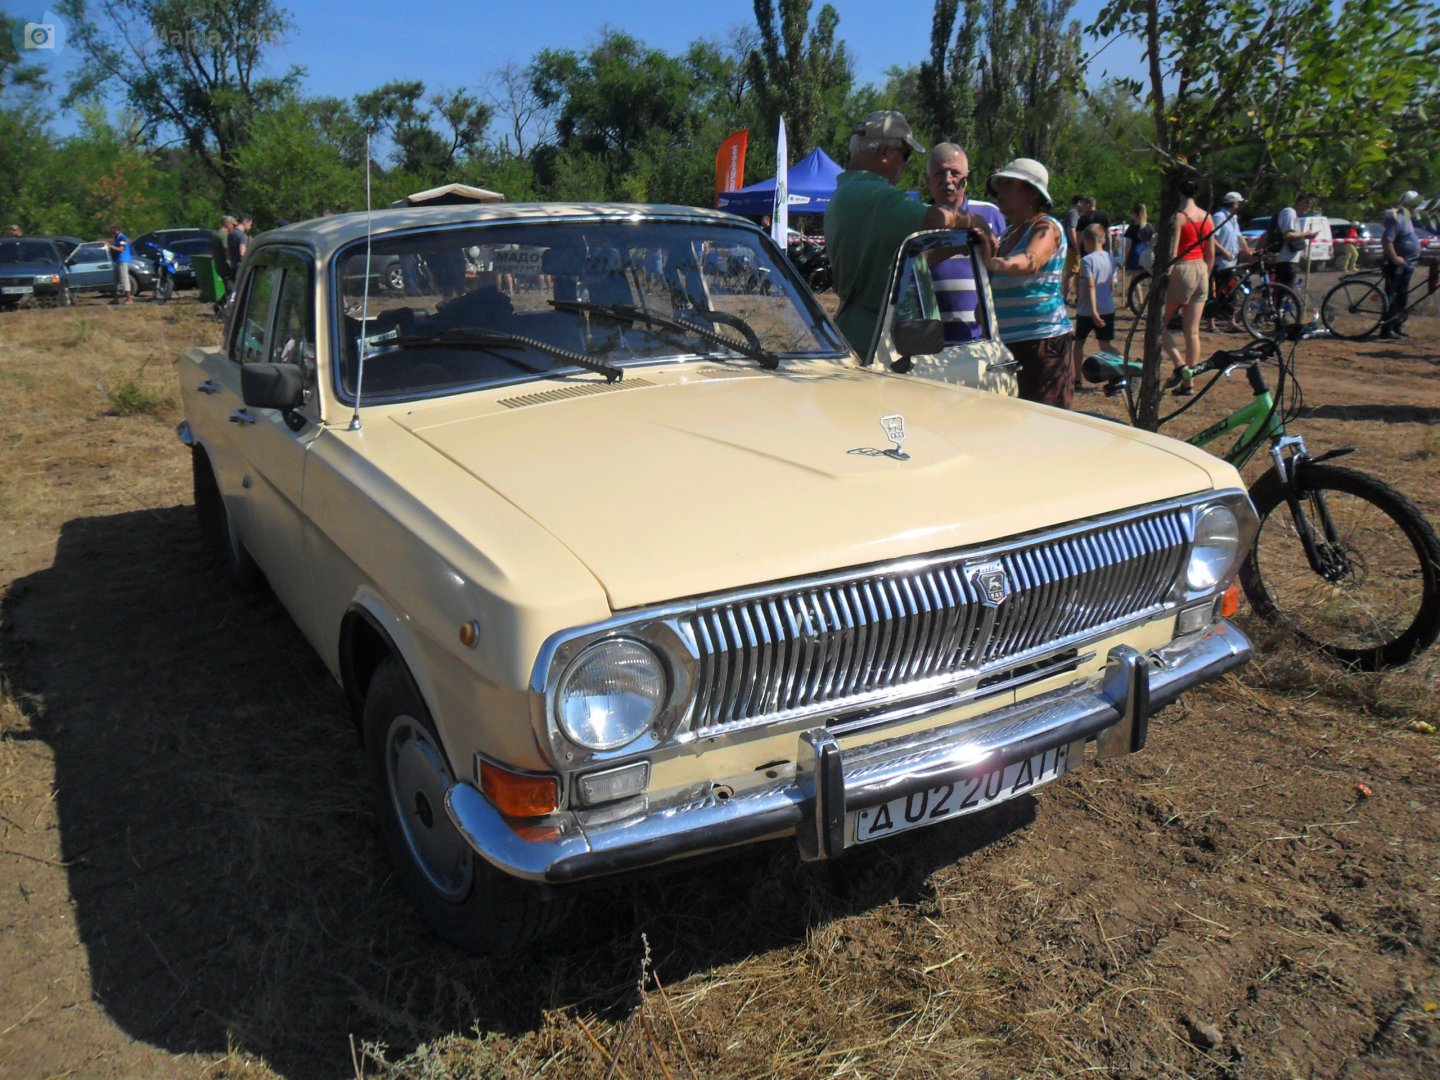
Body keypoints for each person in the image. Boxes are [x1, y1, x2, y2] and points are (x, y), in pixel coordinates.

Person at [823, 109, 995, 353]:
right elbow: (936, 218)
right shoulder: (877, 196)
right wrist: (976, 221)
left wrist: (955, 247)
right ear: (884, 153)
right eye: (905, 155)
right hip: (886, 344)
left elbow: (895, 265)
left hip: (858, 332)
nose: (905, 164)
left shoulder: (846, 194)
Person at [981, 158, 1075, 408]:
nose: (1000, 191)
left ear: (1032, 193)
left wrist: (992, 262)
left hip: (1043, 344)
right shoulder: (1007, 234)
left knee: (1044, 422)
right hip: (1008, 346)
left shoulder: (1046, 227)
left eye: (1008, 184)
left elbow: (1031, 260)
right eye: (999, 184)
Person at [924, 141, 1006, 343]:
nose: (947, 180)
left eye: (955, 173)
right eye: (939, 174)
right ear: (927, 180)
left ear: (966, 179)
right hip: (929, 342)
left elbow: (1003, 272)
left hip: (980, 341)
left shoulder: (990, 214)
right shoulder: (919, 218)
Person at [1163, 179, 1214, 394]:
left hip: (1182, 268)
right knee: (1192, 332)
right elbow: (1211, 253)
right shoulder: (1207, 217)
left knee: (1158, 324)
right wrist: (1206, 275)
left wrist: (1165, 278)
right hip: (1202, 269)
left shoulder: (1179, 217)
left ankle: (1180, 365)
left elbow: (1172, 253)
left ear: (1179, 193)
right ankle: (1189, 382)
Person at [1072, 224, 1116, 385]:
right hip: (1108, 308)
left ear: (1087, 241)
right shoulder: (1110, 258)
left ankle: (1077, 378)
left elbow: (1091, 285)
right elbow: (1113, 284)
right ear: (1103, 239)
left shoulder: (1087, 260)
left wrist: (1093, 311)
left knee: (1078, 344)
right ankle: (1122, 369)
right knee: (1106, 346)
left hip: (1087, 310)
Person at [1205, 191, 1250, 333]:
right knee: (1215, 293)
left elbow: (1239, 237)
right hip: (1219, 262)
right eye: (1239, 203)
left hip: (1231, 263)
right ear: (1234, 203)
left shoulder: (1233, 218)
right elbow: (1211, 238)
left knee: (1229, 292)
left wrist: (1248, 251)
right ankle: (1211, 323)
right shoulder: (1219, 217)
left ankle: (1230, 322)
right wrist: (1224, 251)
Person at [1379, 189, 1422, 339]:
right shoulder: (1397, 218)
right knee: (1393, 296)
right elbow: (1387, 240)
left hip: (1407, 264)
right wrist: (1395, 257)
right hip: (1397, 265)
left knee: (1401, 296)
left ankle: (1396, 326)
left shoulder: (1407, 219)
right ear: (1408, 204)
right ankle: (1387, 329)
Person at [1273, 192, 1317, 297]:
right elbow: (1288, 235)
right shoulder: (1289, 213)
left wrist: (1305, 236)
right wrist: (1305, 234)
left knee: (1286, 292)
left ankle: (1280, 306)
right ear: (1302, 202)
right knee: (1285, 292)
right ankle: (1279, 307)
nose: (1308, 209)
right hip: (1286, 259)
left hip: (1289, 259)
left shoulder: (1293, 214)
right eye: (1308, 205)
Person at [1061, 195, 1085, 303]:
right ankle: (1065, 298)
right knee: (1072, 272)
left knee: (1077, 272)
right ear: (1079, 202)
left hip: (1073, 247)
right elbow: (1071, 230)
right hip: (1073, 248)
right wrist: (1077, 246)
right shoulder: (1073, 213)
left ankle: (1078, 297)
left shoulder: (1073, 213)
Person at [104, 224, 134, 305]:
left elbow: (121, 249)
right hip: (117, 260)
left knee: (124, 279)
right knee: (116, 279)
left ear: (116, 230)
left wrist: (109, 245)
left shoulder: (122, 237)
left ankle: (129, 298)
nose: (111, 232)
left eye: (112, 230)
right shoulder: (116, 238)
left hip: (123, 260)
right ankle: (115, 299)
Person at [211, 215, 236, 287]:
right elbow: (227, 251)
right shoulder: (224, 235)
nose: (234, 227)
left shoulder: (216, 235)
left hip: (219, 267)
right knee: (232, 288)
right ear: (228, 224)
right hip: (226, 268)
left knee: (228, 287)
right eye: (233, 225)